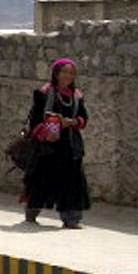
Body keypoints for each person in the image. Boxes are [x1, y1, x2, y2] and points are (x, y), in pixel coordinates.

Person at [23, 58, 90, 228]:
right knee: (42, 177)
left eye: (71, 73)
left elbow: (83, 118)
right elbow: (36, 118)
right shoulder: (44, 93)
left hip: (70, 145)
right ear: (56, 74)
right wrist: (48, 129)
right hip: (49, 146)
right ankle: (32, 211)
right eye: (64, 72)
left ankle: (71, 218)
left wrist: (72, 122)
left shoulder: (76, 96)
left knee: (72, 180)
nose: (68, 76)